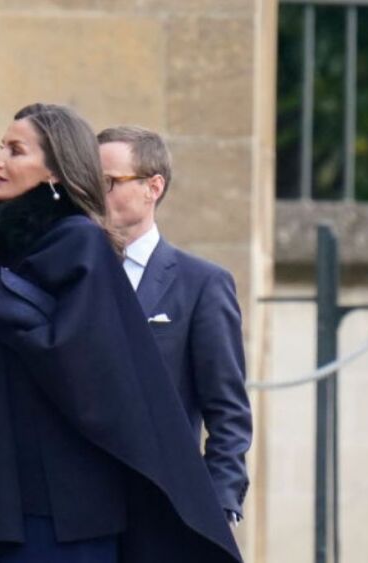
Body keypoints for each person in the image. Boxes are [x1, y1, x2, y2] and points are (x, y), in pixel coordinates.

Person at [0, 104, 243, 563]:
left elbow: (85, 363)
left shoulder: (80, 243)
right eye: (0, 147)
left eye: (15, 150)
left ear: (55, 172)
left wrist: (6, 304)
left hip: (64, 509)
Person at [97, 125, 252, 523]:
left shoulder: (201, 282)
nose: (97, 193)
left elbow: (226, 406)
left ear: (154, 187)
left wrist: (221, 501)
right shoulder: (69, 272)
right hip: (80, 504)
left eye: (110, 181)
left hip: (161, 503)